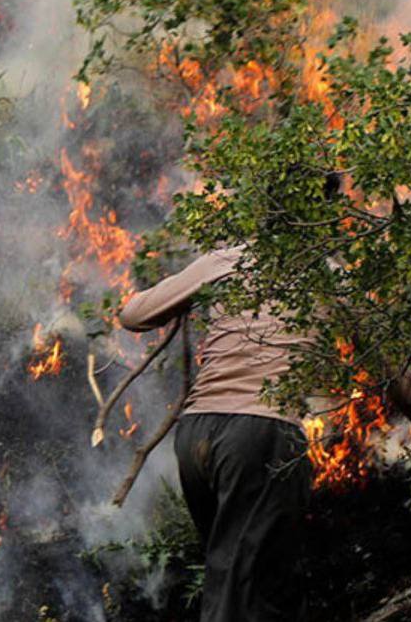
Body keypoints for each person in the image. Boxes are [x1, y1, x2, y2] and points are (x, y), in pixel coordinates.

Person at [119, 245, 312, 622]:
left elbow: (132, 314)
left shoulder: (226, 259)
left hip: (197, 435)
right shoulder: (330, 274)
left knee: (241, 577)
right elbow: (394, 374)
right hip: (261, 434)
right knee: (245, 594)